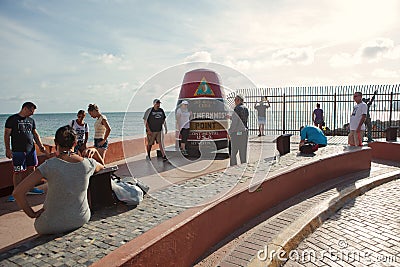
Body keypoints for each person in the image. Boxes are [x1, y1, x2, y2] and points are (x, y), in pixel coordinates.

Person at [13, 125, 104, 235]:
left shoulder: (49, 165)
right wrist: (95, 150)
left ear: (56, 143)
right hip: (80, 219)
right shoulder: (88, 164)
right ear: (75, 143)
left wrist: (31, 213)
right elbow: (102, 165)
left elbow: (18, 193)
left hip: (50, 225)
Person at [4, 102, 47, 202]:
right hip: (18, 151)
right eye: (32, 110)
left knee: (32, 169)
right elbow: (6, 134)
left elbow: (35, 134)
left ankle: (30, 188)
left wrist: (40, 146)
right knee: (18, 171)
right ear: (25, 108)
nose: (32, 113)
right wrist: (7, 149)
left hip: (31, 150)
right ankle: (16, 192)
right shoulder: (12, 119)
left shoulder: (31, 120)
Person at [229, 94, 249, 166]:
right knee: (243, 151)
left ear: (238, 100)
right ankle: (243, 165)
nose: (234, 101)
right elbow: (242, 119)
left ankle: (233, 166)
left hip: (237, 132)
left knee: (233, 151)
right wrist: (231, 117)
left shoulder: (237, 108)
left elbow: (235, 122)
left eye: (235, 100)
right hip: (244, 132)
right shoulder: (245, 108)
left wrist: (230, 131)